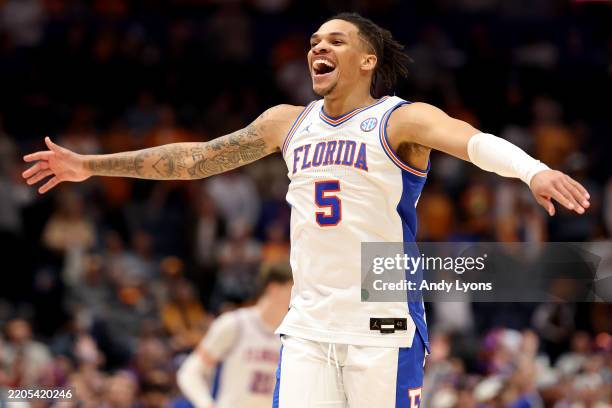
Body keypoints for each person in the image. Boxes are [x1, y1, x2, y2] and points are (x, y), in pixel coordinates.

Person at [22, 12, 590, 408]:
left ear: (367, 60)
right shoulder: (285, 122)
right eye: (315, 40)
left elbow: (470, 138)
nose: (319, 47)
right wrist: (91, 166)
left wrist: (533, 170)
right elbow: (196, 159)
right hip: (309, 328)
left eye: (336, 41)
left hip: (381, 325)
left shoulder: (397, 119)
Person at [176, 263, 292, 408]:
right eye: (292, 289)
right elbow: (189, 372)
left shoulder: (291, 336)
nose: (297, 297)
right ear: (273, 288)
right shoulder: (235, 324)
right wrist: (205, 403)